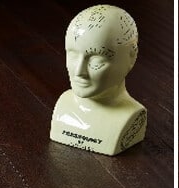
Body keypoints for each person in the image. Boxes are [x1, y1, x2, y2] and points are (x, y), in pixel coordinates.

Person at [50, 5, 146, 156]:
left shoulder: (130, 115)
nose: (79, 72)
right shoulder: (63, 106)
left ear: (131, 57)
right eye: (73, 54)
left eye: (96, 60)